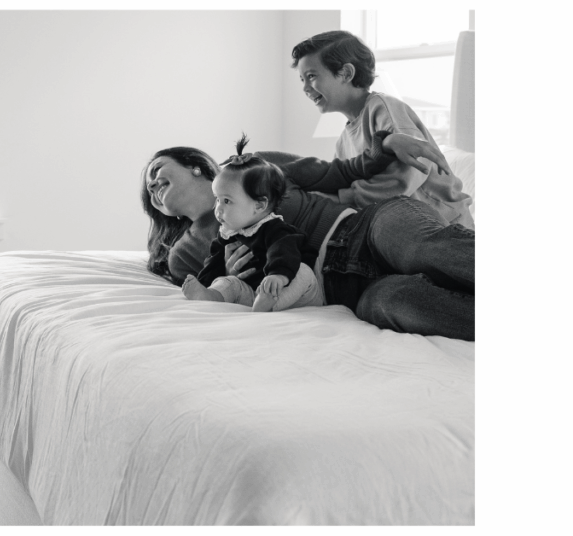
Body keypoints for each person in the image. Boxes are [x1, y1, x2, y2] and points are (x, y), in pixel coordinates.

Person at [141, 133, 474, 341]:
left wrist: (385, 143)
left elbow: (336, 172)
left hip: (362, 230)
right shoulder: (183, 253)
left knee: (421, 249)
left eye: (157, 171)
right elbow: (223, 293)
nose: (153, 184)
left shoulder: (256, 167)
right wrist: (228, 274)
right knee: (396, 303)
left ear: (193, 165)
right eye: (149, 188)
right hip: (344, 291)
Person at [291, 30, 474, 229]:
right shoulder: (343, 143)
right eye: (302, 79)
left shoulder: (383, 108)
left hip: (448, 226)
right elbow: (342, 182)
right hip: (404, 231)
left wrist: (343, 198)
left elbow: (409, 172)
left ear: (346, 73)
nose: (305, 88)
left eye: (311, 76)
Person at [183, 134, 323, 312]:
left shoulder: (276, 229)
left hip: (299, 294)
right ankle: (210, 296)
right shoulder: (228, 234)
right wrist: (207, 282)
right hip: (254, 295)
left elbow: (283, 251)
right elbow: (213, 264)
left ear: (259, 205)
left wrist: (278, 276)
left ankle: (270, 303)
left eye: (227, 201)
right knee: (230, 282)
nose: (218, 208)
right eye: (217, 200)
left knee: (303, 271)